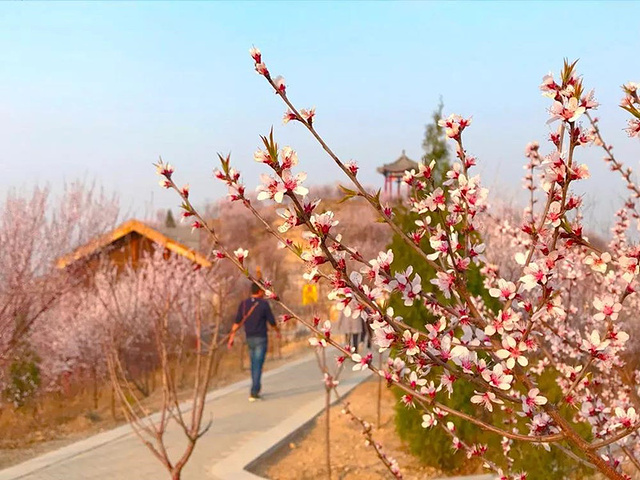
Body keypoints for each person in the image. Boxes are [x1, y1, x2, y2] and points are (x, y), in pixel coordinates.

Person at [227, 283, 280, 401]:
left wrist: (231, 337)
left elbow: (237, 322)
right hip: (261, 338)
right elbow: (272, 321)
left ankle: (255, 388)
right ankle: (254, 391)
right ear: (260, 291)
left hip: (249, 338)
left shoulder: (244, 304)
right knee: (258, 365)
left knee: (253, 364)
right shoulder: (264, 305)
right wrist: (277, 331)